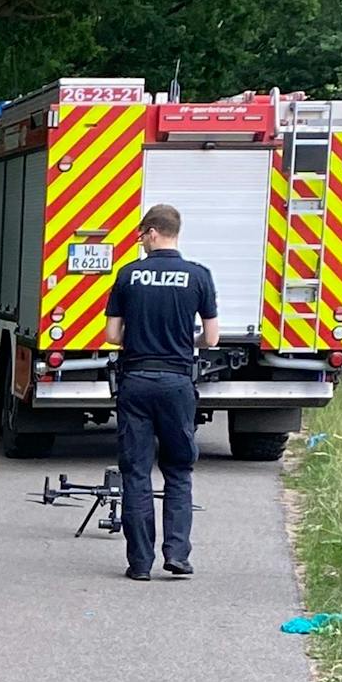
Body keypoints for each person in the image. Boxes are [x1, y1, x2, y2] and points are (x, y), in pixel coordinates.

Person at [104, 205, 220, 581]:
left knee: (136, 472)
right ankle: (177, 554)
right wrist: (187, 341)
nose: (140, 241)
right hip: (177, 383)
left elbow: (112, 336)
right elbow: (212, 338)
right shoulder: (199, 276)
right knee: (178, 470)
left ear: (153, 232)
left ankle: (139, 563)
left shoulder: (128, 276)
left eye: (141, 235)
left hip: (136, 381)